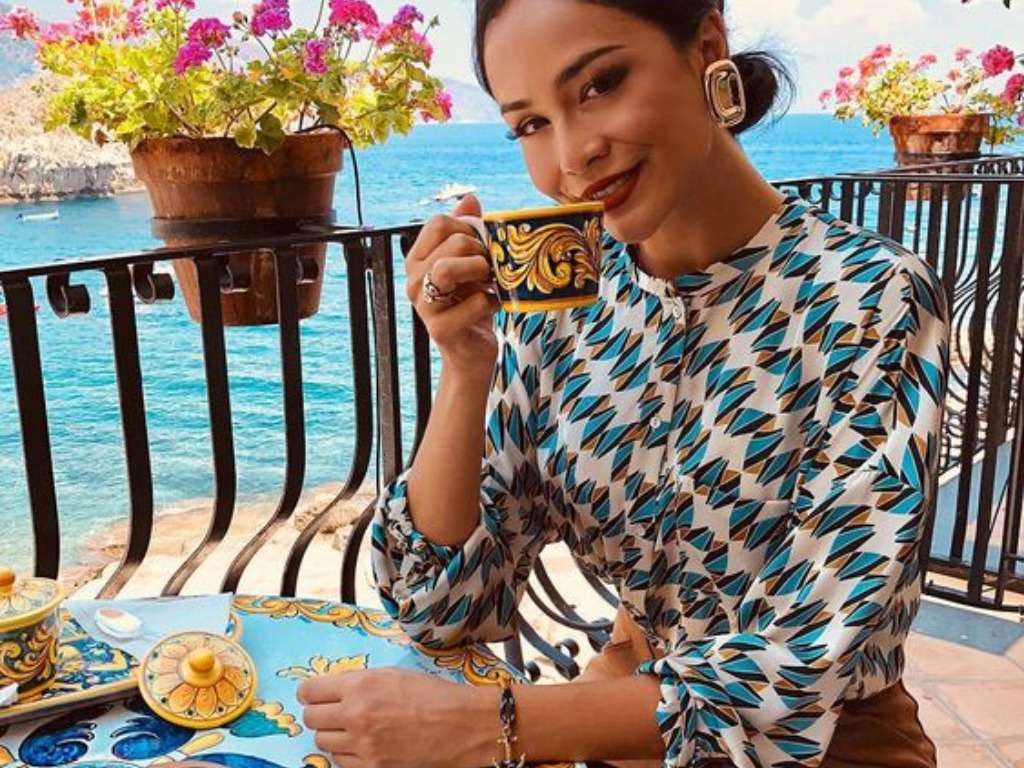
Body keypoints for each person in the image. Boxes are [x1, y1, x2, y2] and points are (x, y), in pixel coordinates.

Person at [296, 1, 950, 766]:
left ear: (706, 46)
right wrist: (466, 365)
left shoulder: (870, 297)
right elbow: (439, 605)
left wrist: (487, 724)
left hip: (834, 750)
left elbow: (799, 672)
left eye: (600, 84)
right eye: (530, 123)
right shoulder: (564, 302)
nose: (573, 155)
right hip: (620, 729)